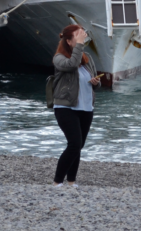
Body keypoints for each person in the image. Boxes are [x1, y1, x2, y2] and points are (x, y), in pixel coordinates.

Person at [50, 24, 100, 188]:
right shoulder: (59, 58)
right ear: (69, 42)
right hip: (66, 107)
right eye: (78, 39)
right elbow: (71, 64)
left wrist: (95, 82)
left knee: (79, 146)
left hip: (86, 108)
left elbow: (94, 83)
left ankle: (71, 181)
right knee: (74, 143)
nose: (82, 42)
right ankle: (57, 181)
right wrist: (79, 45)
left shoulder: (87, 59)